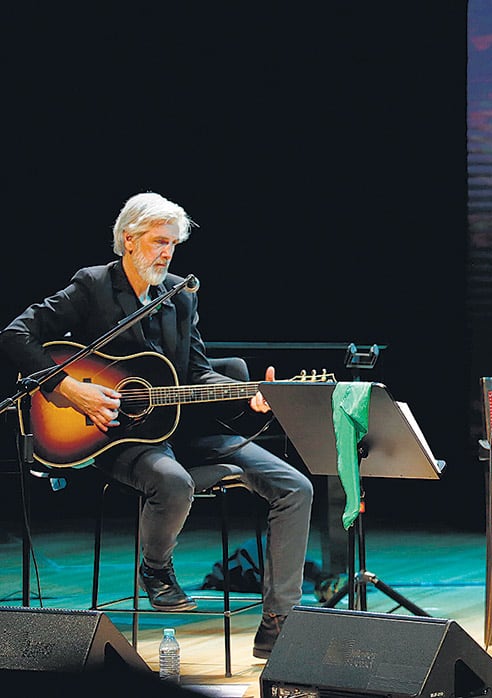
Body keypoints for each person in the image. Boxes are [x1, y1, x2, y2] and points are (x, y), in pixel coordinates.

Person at [0, 192, 313, 659]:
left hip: (184, 430)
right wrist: (68, 388)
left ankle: (278, 625)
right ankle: (156, 569)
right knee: (172, 481)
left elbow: (197, 372)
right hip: (116, 435)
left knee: (295, 486)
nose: (166, 253)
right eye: (158, 242)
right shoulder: (93, 286)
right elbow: (15, 334)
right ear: (129, 239)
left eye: (173, 244)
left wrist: (247, 396)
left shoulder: (180, 298)